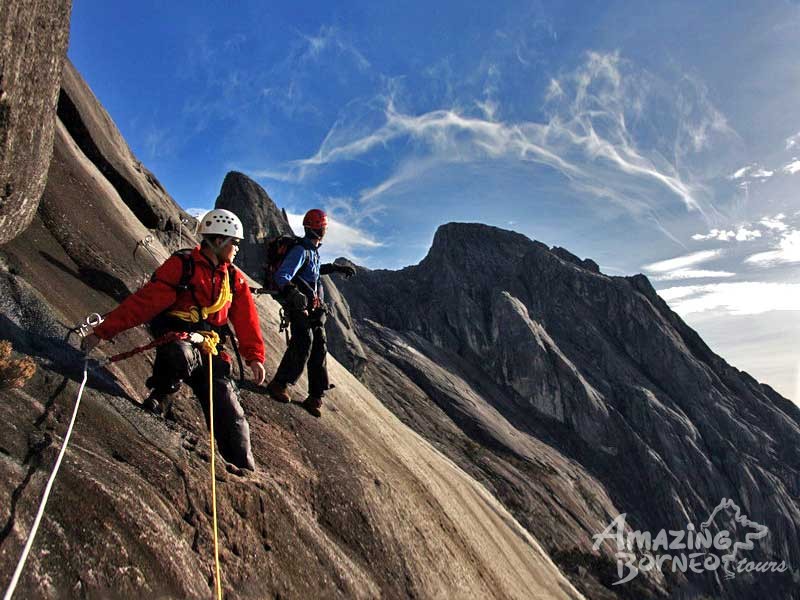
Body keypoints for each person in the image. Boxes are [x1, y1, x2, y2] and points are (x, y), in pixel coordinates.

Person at [81, 209, 266, 471]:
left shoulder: (233, 279)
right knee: (179, 354)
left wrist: (254, 357)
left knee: (231, 411)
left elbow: (247, 320)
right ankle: (162, 395)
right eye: (234, 242)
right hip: (177, 339)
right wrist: (102, 332)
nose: (236, 249)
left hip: (210, 348)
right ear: (218, 241)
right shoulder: (183, 266)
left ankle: (244, 468)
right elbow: (145, 303)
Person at [266, 209, 355, 416]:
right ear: (319, 228)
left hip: (313, 308)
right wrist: (292, 293)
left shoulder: (312, 251)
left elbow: (312, 271)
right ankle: (280, 383)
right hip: (299, 305)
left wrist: (334, 268)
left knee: (320, 346)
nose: (324, 230)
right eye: (323, 227)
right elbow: (283, 275)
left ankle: (315, 396)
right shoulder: (301, 250)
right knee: (304, 341)